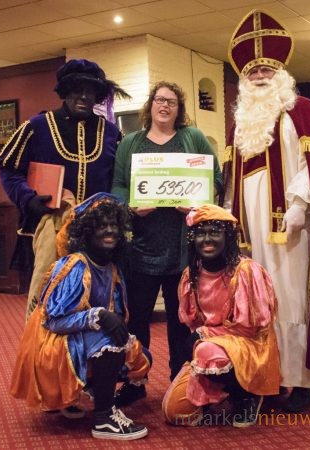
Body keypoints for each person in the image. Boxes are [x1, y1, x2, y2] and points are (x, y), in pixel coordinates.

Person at [223, 9, 310, 412]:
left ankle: (302, 381)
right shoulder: (239, 124)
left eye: (266, 69)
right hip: (250, 228)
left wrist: (298, 204)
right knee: (259, 302)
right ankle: (270, 379)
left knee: (292, 299)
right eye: (252, 71)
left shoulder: (302, 110)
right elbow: (231, 178)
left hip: (292, 225)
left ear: (281, 73)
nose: (260, 76)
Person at [111, 81, 223, 404]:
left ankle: (180, 380)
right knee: (137, 319)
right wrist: (131, 206)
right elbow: (118, 186)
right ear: (151, 105)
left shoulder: (193, 138)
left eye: (171, 102)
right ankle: (136, 381)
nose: (164, 106)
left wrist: (198, 201)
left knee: (181, 320)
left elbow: (215, 178)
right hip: (140, 248)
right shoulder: (130, 143)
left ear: (179, 108)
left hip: (182, 248)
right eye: (159, 100)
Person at [0, 58, 130, 320]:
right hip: (50, 227)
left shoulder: (112, 133)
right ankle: (44, 343)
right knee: (50, 295)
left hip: (99, 234)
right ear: (65, 91)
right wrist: (28, 199)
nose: (84, 96)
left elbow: (121, 178)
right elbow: (8, 169)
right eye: (77, 89)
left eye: (90, 91)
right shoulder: (36, 126)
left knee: (96, 297)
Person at [9, 193, 150, 441]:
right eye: (101, 226)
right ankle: (104, 419)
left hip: (77, 336)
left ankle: (86, 392)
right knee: (111, 342)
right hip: (50, 342)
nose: (110, 230)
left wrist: (109, 322)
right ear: (86, 232)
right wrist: (99, 315)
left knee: (137, 351)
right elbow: (52, 321)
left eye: (113, 225)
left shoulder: (111, 267)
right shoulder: (76, 265)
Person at [162, 204, 280, 428]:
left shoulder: (246, 271)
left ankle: (246, 395)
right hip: (208, 349)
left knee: (206, 351)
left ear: (228, 237)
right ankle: (219, 387)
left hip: (249, 347)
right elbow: (191, 322)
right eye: (201, 234)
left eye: (215, 233)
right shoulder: (191, 274)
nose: (207, 239)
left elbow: (251, 328)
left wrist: (203, 335)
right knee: (175, 412)